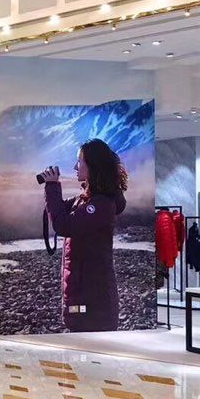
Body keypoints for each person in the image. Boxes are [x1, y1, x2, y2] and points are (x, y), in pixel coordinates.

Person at [42, 138, 127, 332]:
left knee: (88, 345)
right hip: (84, 295)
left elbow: (64, 225)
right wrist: (52, 188)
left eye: (79, 162)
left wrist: (52, 187)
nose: (75, 167)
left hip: (92, 303)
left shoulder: (100, 204)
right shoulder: (87, 199)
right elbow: (61, 212)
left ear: (93, 166)